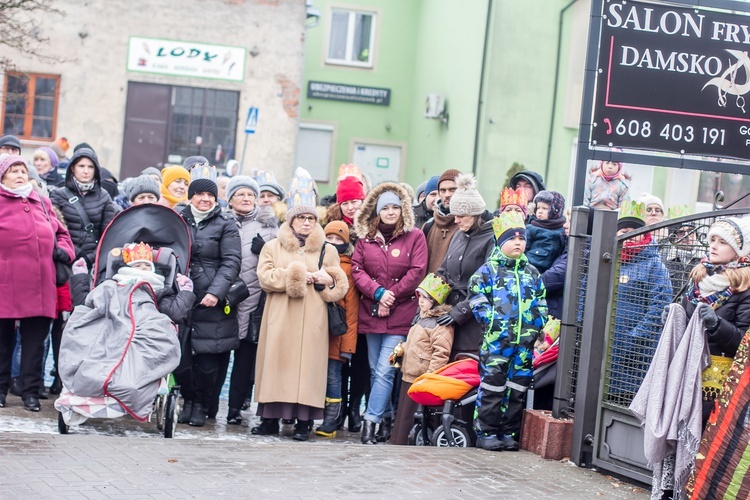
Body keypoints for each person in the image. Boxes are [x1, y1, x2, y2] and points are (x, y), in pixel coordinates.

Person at [252, 168, 348, 441]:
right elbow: (265, 277)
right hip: (281, 316)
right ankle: (269, 419)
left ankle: (304, 423)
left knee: (307, 369)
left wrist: (323, 278)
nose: (306, 222)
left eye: (310, 218)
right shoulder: (273, 246)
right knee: (276, 365)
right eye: (301, 218)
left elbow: (336, 282)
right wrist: (295, 276)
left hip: (312, 317)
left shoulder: (327, 250)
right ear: (291, 220)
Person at [352, 182, 428, 444]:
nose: (391, 212)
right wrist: (378, 293)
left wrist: (391, 295)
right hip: (371, 315)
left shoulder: (415, 236)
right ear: (377, 211)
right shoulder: (366, 239)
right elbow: (357, 270)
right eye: (386, 207)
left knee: (387, 370)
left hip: (401, 319)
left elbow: (417, 270)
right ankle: (385, 419)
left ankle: (370, 422)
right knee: (375, 370)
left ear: (403, 210)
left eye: (396, 207)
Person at [0, 155, 75, 411]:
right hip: (5, 283)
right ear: (2, 177)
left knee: (35, 343)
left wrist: (64, 252)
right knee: (2, 340)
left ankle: (31, 393)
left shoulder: (42, 202)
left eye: (23, 170)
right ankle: (0, 389)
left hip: (41, 284)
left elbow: (62, 234)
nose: (20, 175)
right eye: (14, 171)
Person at [469, 210, 548, 451]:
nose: (518, 243)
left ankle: (507, 431)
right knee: (493, 386)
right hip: (497, 342)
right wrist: (492, 321)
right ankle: (486, 431)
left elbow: (542, 300)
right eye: (512, 239)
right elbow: (476, 298)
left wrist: (538, 321)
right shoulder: (487, 272)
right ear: (500, 242)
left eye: (521, 239)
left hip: (524, 345)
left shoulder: (531, 273)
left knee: (517, 387)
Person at [179, 174, 242, 427]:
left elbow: (231, 262)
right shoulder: (178, 219)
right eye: (200, 194)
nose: (205, 199)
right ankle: (188, 400)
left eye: (210, 195)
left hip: (212, 301)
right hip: (182, 298)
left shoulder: (225, 223)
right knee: (182, 360)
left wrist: (215, 292)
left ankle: (203, 405)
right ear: (190, 196)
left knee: (208, 361)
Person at [224, 176, 279, 426]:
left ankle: (236, 408)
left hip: (256, 299)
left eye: (250, 195)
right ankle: (212, 403)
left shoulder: (269, 226)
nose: (246, 199)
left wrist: (264, 249)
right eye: (240, 194)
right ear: (231, 199)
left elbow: (279, 259)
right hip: (226, 296)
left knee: (247, 359)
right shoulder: (222, 221)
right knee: (220, 356)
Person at [607, 201, 672, 404]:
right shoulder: (608, 260)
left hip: (634, 353)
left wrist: (635, 337)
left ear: (643, 234)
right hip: (605, 349)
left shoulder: (654, 265)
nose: (627, 236)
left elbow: (660, 305)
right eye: (623, 231)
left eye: (632, 232)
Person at [324, 174, 369, 432]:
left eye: (357, 201)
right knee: (337, 361)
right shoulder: (331, 227)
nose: (352, 206)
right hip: (340, 303)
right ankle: (338, 411)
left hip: (365, 303)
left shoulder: (370, 227)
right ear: (339, 204)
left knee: (361, 362)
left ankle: (355, 409)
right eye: (347, 201)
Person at [435, 173, 495, 359]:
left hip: (473, 323)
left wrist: (459, 312)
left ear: (475, 214)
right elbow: (443, 271)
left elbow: (487, 283)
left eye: (461, 216)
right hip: (450, 318)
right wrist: (426, 299)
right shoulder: (460, 234)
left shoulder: (492, 238)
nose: (456, 220)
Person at [390, 273, 454, 445]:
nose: (421, 301)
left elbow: (441, 352)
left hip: (421, 377)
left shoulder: (440, 324)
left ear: (435, 300)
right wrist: (401, 351)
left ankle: (409, 442)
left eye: (426, 298)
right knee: (403, 413)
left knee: (412, 414)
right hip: (408, 374)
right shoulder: (420, 318)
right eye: (420, 296)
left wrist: (430, 377)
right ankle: (398, 441)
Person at [315, 221, 359, 438]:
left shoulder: (348, 267)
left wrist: (348, 345)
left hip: (336, 333)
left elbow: (351, 308)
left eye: (338, 239)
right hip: (314, 330)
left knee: (333, 376)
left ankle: (331, 420)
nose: (332, 243)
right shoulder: (315, 261)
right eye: (329, 238)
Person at [50, 147, 116, 267]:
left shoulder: (104, 196)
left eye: (90, 167)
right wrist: (72, 253)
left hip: (92, 263)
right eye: (81, 166)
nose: (86, 171)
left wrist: (89, 259)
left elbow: (108, 235)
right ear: (72, 168)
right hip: (64, 260)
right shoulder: (59, 195)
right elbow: (53, 231)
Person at [424, 169, 461, 273]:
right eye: (443, 190)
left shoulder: (469, 225)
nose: (447, 194)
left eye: (452, 189)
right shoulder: (428, 226)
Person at [525, 191, 567, 274]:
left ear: (556, 211)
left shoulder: (563, 228)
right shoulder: (531, 227)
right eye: (538, 208)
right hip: (532, 266)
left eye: (544, 208)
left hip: (551, 268)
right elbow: (524, 247)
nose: (540, 211)